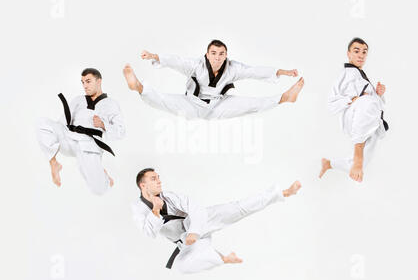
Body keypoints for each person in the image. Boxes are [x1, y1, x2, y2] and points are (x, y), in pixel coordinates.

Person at [132, 168, 301, 274]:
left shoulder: (169, 196)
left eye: (158, 177)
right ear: (143, 185)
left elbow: (195, 208)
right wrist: (155, 210)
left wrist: (194, 231)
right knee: (182, 267)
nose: (159, 180)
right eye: (153, 178)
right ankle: (224, 259)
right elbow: (149, 233)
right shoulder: (138, 208)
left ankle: (283, 193)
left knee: (238, 208)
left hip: (198, 223)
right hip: (186, 241)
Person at [123, 39, 304, 119]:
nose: (217, 57)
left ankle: (285, 98)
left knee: (250, 105)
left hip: (218, 105)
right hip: (191, 104)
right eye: (214, 53)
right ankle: (138, 86)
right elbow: (176, 62)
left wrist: (284, 72)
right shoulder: (196, 65)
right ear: (207, 55)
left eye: (221, 54)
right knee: (164, 101)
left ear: (226, 55)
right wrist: (154, 56)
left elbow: (254, 71)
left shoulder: (233, 68)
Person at [36, 68, 126, 195]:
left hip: (89, 146)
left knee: (99, 190)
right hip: (69, 138)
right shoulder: (78, 100)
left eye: (88, 81)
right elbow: (61, 123)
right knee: (42, 123)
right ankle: (54, 163)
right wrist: (56, 132)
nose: (85, 86)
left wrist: (103, 125)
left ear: (99, 81)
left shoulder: (111, 104)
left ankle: (104, 176)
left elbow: (121, 132)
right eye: (82, 82)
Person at [319, 38, 388, 182]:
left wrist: (379, 94)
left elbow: (374, 102)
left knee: (365, 162)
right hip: (355, 118)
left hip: (370, 121)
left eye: (364, 52)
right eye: (356, 51)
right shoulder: (346, 74)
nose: (361, 55)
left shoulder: (361, 75)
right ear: (348, 54)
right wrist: (352, 99)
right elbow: (331, 103)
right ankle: (358, 156)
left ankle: (329, 164)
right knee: (367, 102)